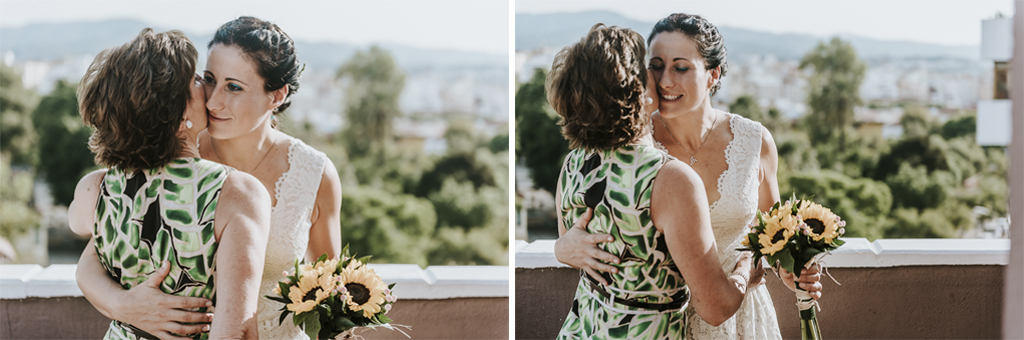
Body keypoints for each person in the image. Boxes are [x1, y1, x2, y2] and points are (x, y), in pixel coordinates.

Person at [554, 13, 823, 339]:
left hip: (742, 318)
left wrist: (792, 269)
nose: (665, 80)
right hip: (675, 321)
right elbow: (586, 233)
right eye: (655, 66)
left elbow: (772, 236)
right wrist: (561, 248)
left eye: (680, 67)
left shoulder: (755, 141)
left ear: (713, 74)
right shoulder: (628, 144)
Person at [76, 17, 342, 340]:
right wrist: (124, 306)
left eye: (234, 87)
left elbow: (329, 292)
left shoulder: (314, 174)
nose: (213, 100)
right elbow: (94, 257)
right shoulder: (166, 151)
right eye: (209, 80)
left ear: (277, 96)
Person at [68, 28, 271, 340]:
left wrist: (120, 303)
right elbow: (237, 330)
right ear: (179, 113)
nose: (207, 88)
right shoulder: (237, 193)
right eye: (196, 80)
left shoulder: (91, 191)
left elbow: (84, 240)